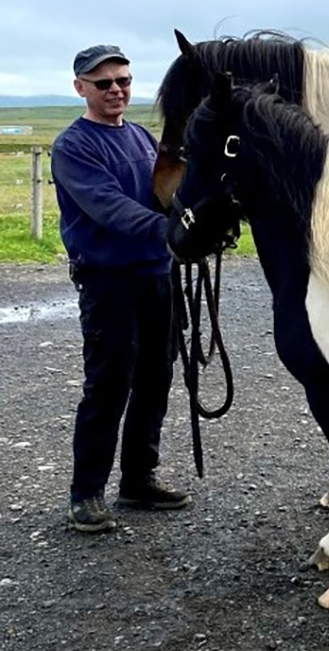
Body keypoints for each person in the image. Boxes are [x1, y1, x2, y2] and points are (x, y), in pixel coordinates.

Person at [51, 44, 190, 533]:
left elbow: (167, 194)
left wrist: (200, 216)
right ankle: (86, 493)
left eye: (124, 81)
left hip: (157, 274)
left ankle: (137, 480)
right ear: (81, 88)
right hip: (108, 280)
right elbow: (107, 206)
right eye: (104, 83)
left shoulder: (142, 137)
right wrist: (170, 230)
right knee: (109, 383)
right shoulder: (74, 146)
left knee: (155, 377)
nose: (116, 90)